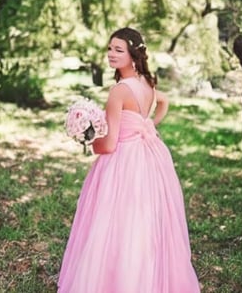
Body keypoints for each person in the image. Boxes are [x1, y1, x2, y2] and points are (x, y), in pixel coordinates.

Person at [58, 28, 200, 292]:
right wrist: (149, 125)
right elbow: (164, 101)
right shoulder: (148, 82)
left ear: (133, 54)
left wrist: (88, 141)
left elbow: (110, 144)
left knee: (116, 221)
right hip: (150, 158)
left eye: (118, 50)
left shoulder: (119, 91)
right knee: (144, 220)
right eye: (110, 48)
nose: (111, 54)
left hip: (123, 161)